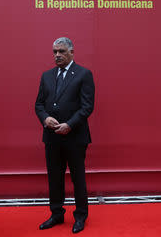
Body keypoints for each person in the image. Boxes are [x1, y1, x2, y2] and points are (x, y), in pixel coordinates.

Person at [35, 37, 95, 234]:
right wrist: (45, 119)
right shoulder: (46, 75)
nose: (57, 55)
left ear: (71, 52)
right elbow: (39, 105)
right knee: (54, 177)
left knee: (78, 178)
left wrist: (70, 124)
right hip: (52, 136)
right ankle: (56, 214)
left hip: (75, 136)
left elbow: (87, 107)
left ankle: (80, 216)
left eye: (61, 51)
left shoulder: (84, 74)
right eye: (54, 52)